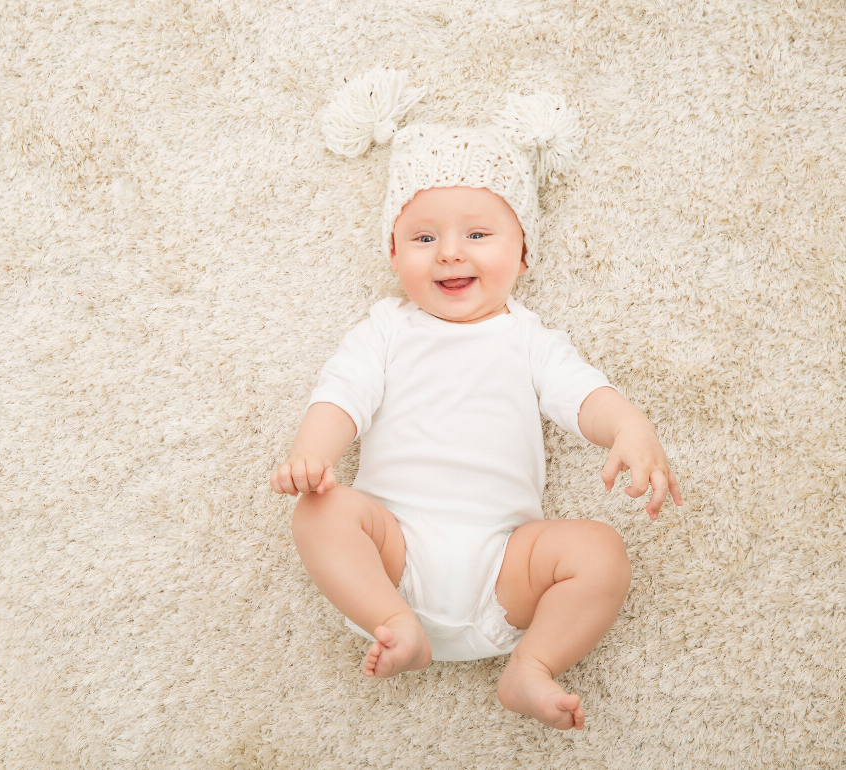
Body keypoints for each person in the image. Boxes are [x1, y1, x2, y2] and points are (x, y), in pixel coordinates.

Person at [269, 69, 683, 732]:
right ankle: (395, 624)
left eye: (479, 235)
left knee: (601, 552)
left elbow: (582, 394)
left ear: (523, 253)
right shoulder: (386, 328)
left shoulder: (528, 338)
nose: (450, 253)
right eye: (424, 238)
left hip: (504, 572)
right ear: (394, 251)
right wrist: (310, 458)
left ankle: (533, 664)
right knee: (319, 511)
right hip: (392, 556)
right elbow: (339, 395)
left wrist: (628, 426)